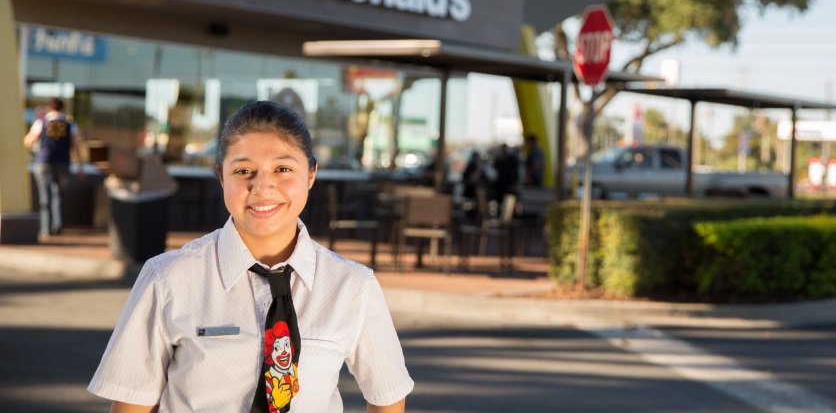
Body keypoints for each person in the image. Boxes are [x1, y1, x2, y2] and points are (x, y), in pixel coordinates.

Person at [88, 101, 413, 412]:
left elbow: (388, 394)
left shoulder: (353, 286)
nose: (263, 186)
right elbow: (133, 402)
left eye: (283, 168)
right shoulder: (168, 278)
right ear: (221, 176)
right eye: (244, 171)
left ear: (311, 174)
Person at [23, 97, 84, 237]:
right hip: (63, 162)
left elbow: (28, 141)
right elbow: (75, 146)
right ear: (62, 108)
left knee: (45, 196)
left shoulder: (41, 122)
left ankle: (46, 228)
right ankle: (58, 226)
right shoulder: (70, 124)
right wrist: (80, 165)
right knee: (59, 196)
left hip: (44, 162)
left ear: (50, 107)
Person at [492, 143, 520, 207]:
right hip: (500, 182)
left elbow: (515, 170)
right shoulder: (498, 159)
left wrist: (515, 180)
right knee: (498, 196)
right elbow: (494, 170)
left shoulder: (511, 159)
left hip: (509, 181)